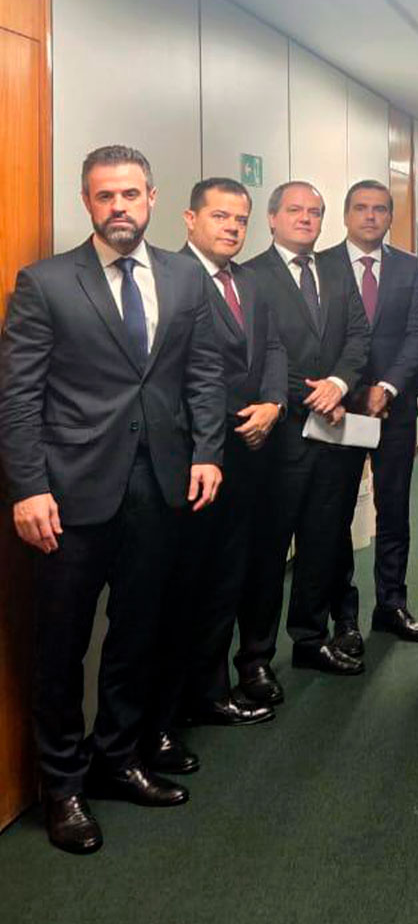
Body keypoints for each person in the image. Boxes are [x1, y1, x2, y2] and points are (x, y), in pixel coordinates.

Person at [0, 145, 224, 854]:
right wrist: (28, 487)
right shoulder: (45, 283)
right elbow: (18, 397)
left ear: (152, 198)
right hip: (69, 494)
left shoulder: (185, 277)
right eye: (105, 196)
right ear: (86, 202)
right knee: (62, 643)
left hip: (160, 486)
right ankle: (62, 785)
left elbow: (204, 372)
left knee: (138, 632)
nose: (118, 207)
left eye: (130, 194)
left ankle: (118, 757)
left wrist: (208, 451)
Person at [143, 178, 283, 778]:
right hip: (193, 460)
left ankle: (211, 690)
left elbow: (273, 349)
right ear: (189, 218)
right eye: (220, 216)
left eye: (240, 219)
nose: (231, 227)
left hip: (248, 455)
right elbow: (179, 375)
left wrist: (273, 403)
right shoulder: (171, 278)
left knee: (227, 578)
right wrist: (224, 426)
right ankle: (167, 714)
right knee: (185, 587)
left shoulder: (250, 281)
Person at [241, 181, 370, 688]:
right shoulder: (252, 276)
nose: (305, 219)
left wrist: (339, 384)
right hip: (281, 439)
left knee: (322, 541)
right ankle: (254, 658)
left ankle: (312, 640)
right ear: (271, 218)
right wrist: (313, 394)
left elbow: (358, 336)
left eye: (314, 212)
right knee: (269, 552)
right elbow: (260, 351)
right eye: (294, 210)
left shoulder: (337, 270)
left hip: (334, 434)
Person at [319, 180, 418, 656]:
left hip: (393, 407)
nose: (371, 216)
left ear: (390, 217)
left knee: (394, 508)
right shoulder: (320, 265)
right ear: (346, 215)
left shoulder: (410, 266)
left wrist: (387, 387)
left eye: (380, 209)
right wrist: (349, 390)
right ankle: (343, 617)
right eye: (362, 208)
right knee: (337, 513)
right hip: (337, 411)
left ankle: (391, 604)